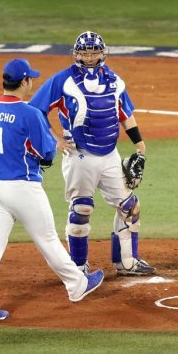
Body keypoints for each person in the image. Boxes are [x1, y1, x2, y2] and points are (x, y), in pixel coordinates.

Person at [0, 59, 104, 323]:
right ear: (24, 82)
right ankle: (77, 284)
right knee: (47, 238)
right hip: (21, 187)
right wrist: (42, 156)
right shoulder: (29, 113)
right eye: (30, 78)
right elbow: (45, 153)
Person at [29, 31, 154, 276]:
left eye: (94, 51)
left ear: (102, 52)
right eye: (84, 52)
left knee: (130, 206)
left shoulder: (115, 81)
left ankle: (127, 261)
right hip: (80, 155)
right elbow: (35, 110)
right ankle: (77, 266)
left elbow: (125, 114)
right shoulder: (62, 80)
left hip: (110, 155)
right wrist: (55, 139)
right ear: (76, 54)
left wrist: (139, 144)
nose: (89, 57)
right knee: (81, 210)